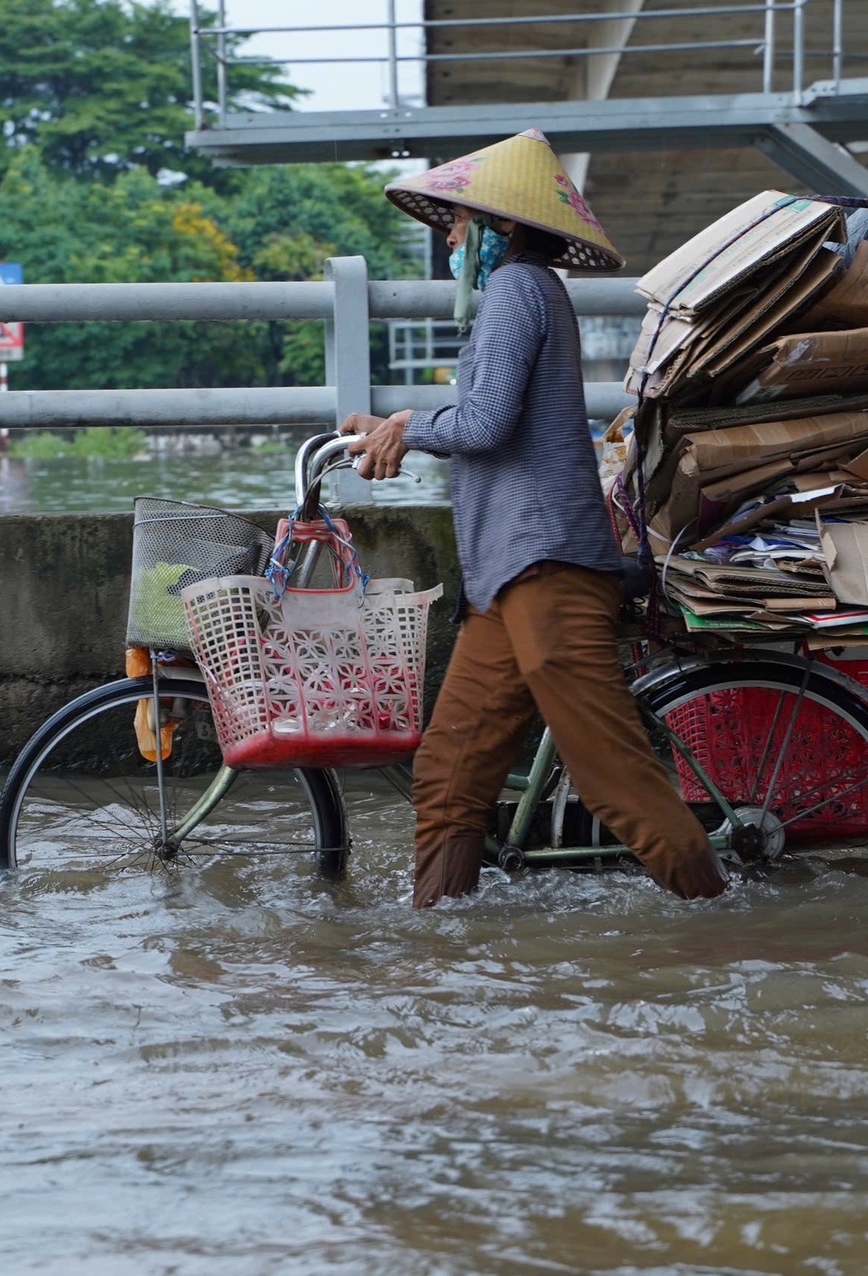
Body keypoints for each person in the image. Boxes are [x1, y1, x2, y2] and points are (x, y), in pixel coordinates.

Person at [342, 128, 727, 908]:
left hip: (546, 571)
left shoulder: (520, 289)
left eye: (455, 224)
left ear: (498, 227)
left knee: (614, 779)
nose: (447, 239)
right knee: (450, 771)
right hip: (504, 583)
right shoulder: (517, 295)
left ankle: (725, 922)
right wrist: (404, 420)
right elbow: (485, 416)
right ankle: (439, 936)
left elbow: (483, 424)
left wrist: (407, 428)